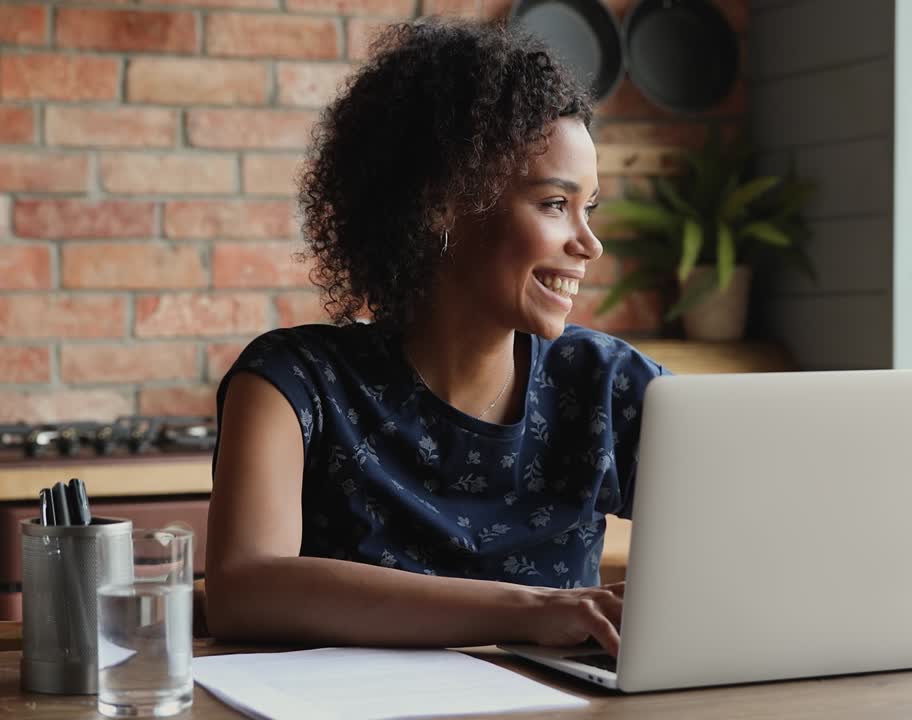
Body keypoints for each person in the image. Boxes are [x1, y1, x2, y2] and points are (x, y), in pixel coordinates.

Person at [206, 19, 669, 658]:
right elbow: (244, 590)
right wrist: (533, 611)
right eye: (555, 205)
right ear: (441, 203)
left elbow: (752, 540)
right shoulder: (293, 384)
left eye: (590, 208)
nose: (588, 244)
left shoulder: (608, 383)